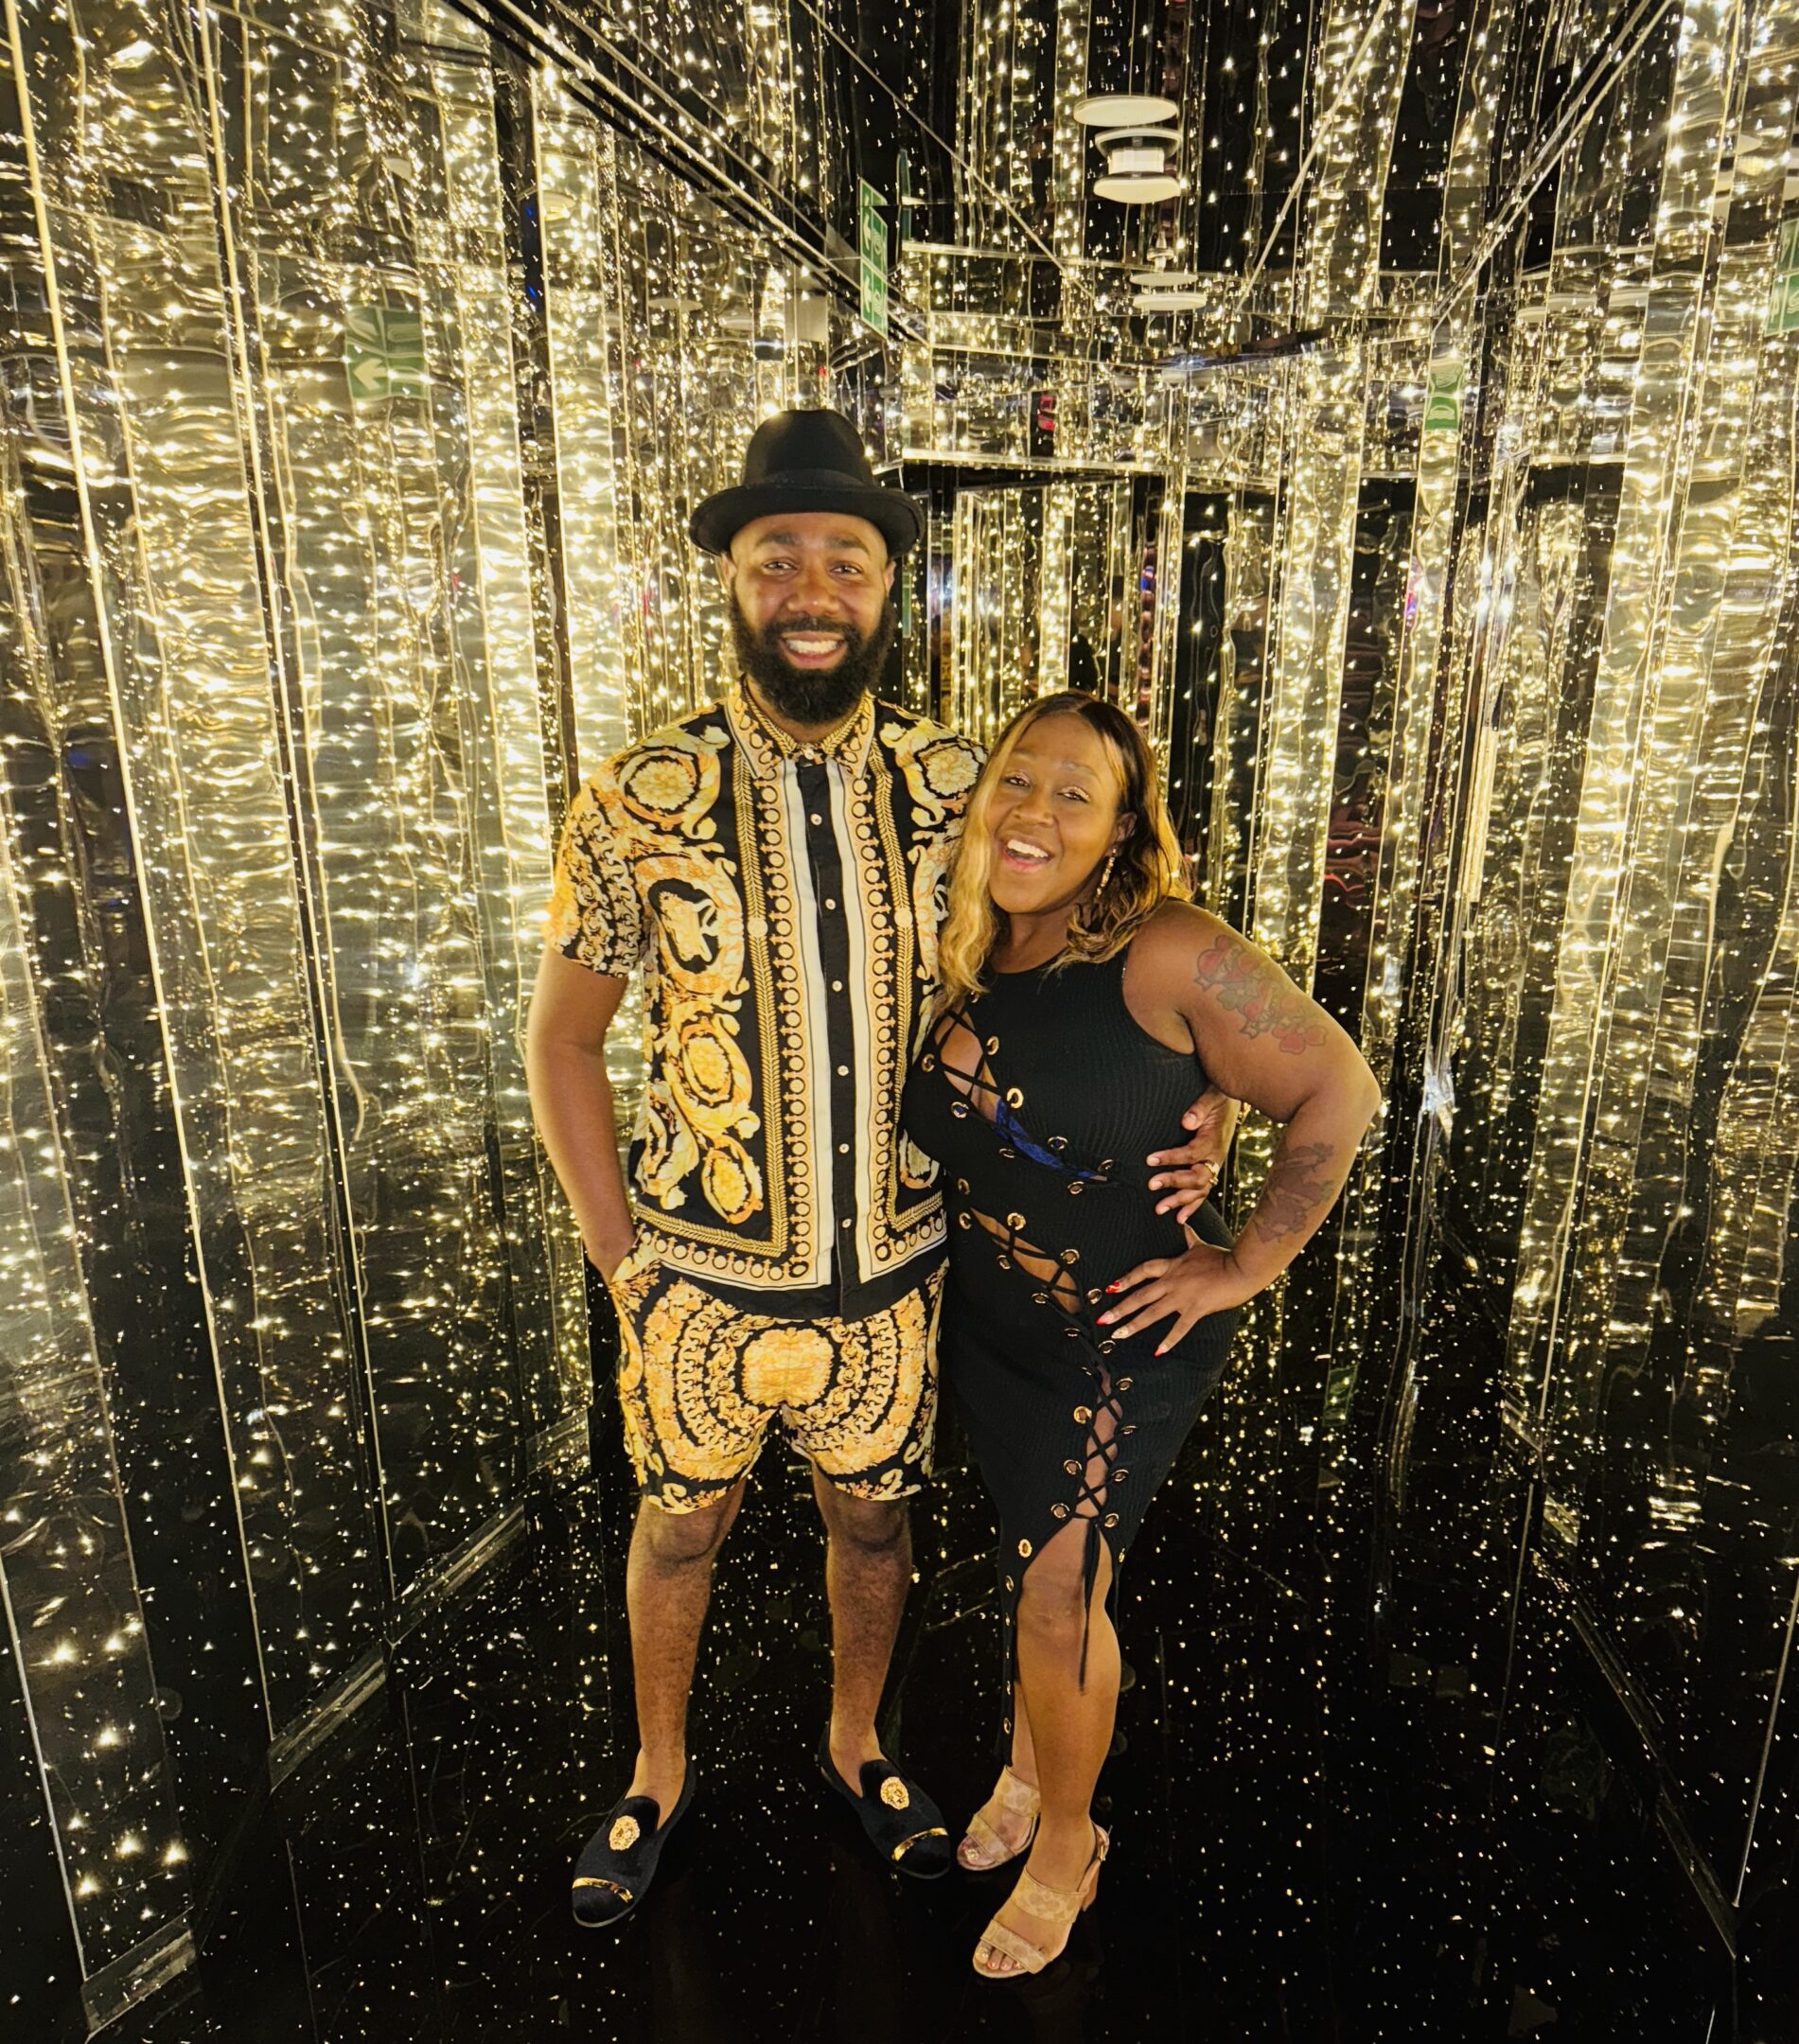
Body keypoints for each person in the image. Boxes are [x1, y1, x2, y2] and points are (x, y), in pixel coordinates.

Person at [525, 410, 1242, 1927]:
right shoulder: (633, 797)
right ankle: (656, 1771)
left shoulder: (956, 789)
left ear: (883, 591)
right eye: (775, 555)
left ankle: (860, 1745)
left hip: (902, 1268)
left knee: (872, 1523)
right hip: (697, 1276)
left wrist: (1221, 1090)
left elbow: (1102, 946)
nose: (809, 586)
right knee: (680, 1525)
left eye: (842, 560)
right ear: (730, 577)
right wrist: (616, 1253)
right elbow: (565, 1042)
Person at [903, 693, 1381, 1978]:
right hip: (994, 1337)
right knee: (1031, 1579)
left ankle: (1068, 1844)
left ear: (1119, 830)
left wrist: (1248, 1261)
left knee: (1061, 1597)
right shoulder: (974, 949)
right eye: (1021, 778)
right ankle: (1024, 1762)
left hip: (1118, 1336)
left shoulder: (1167, 948)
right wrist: (1205, 1099)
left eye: (1075, 792)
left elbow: (1336, 1082)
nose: (1037, 810)